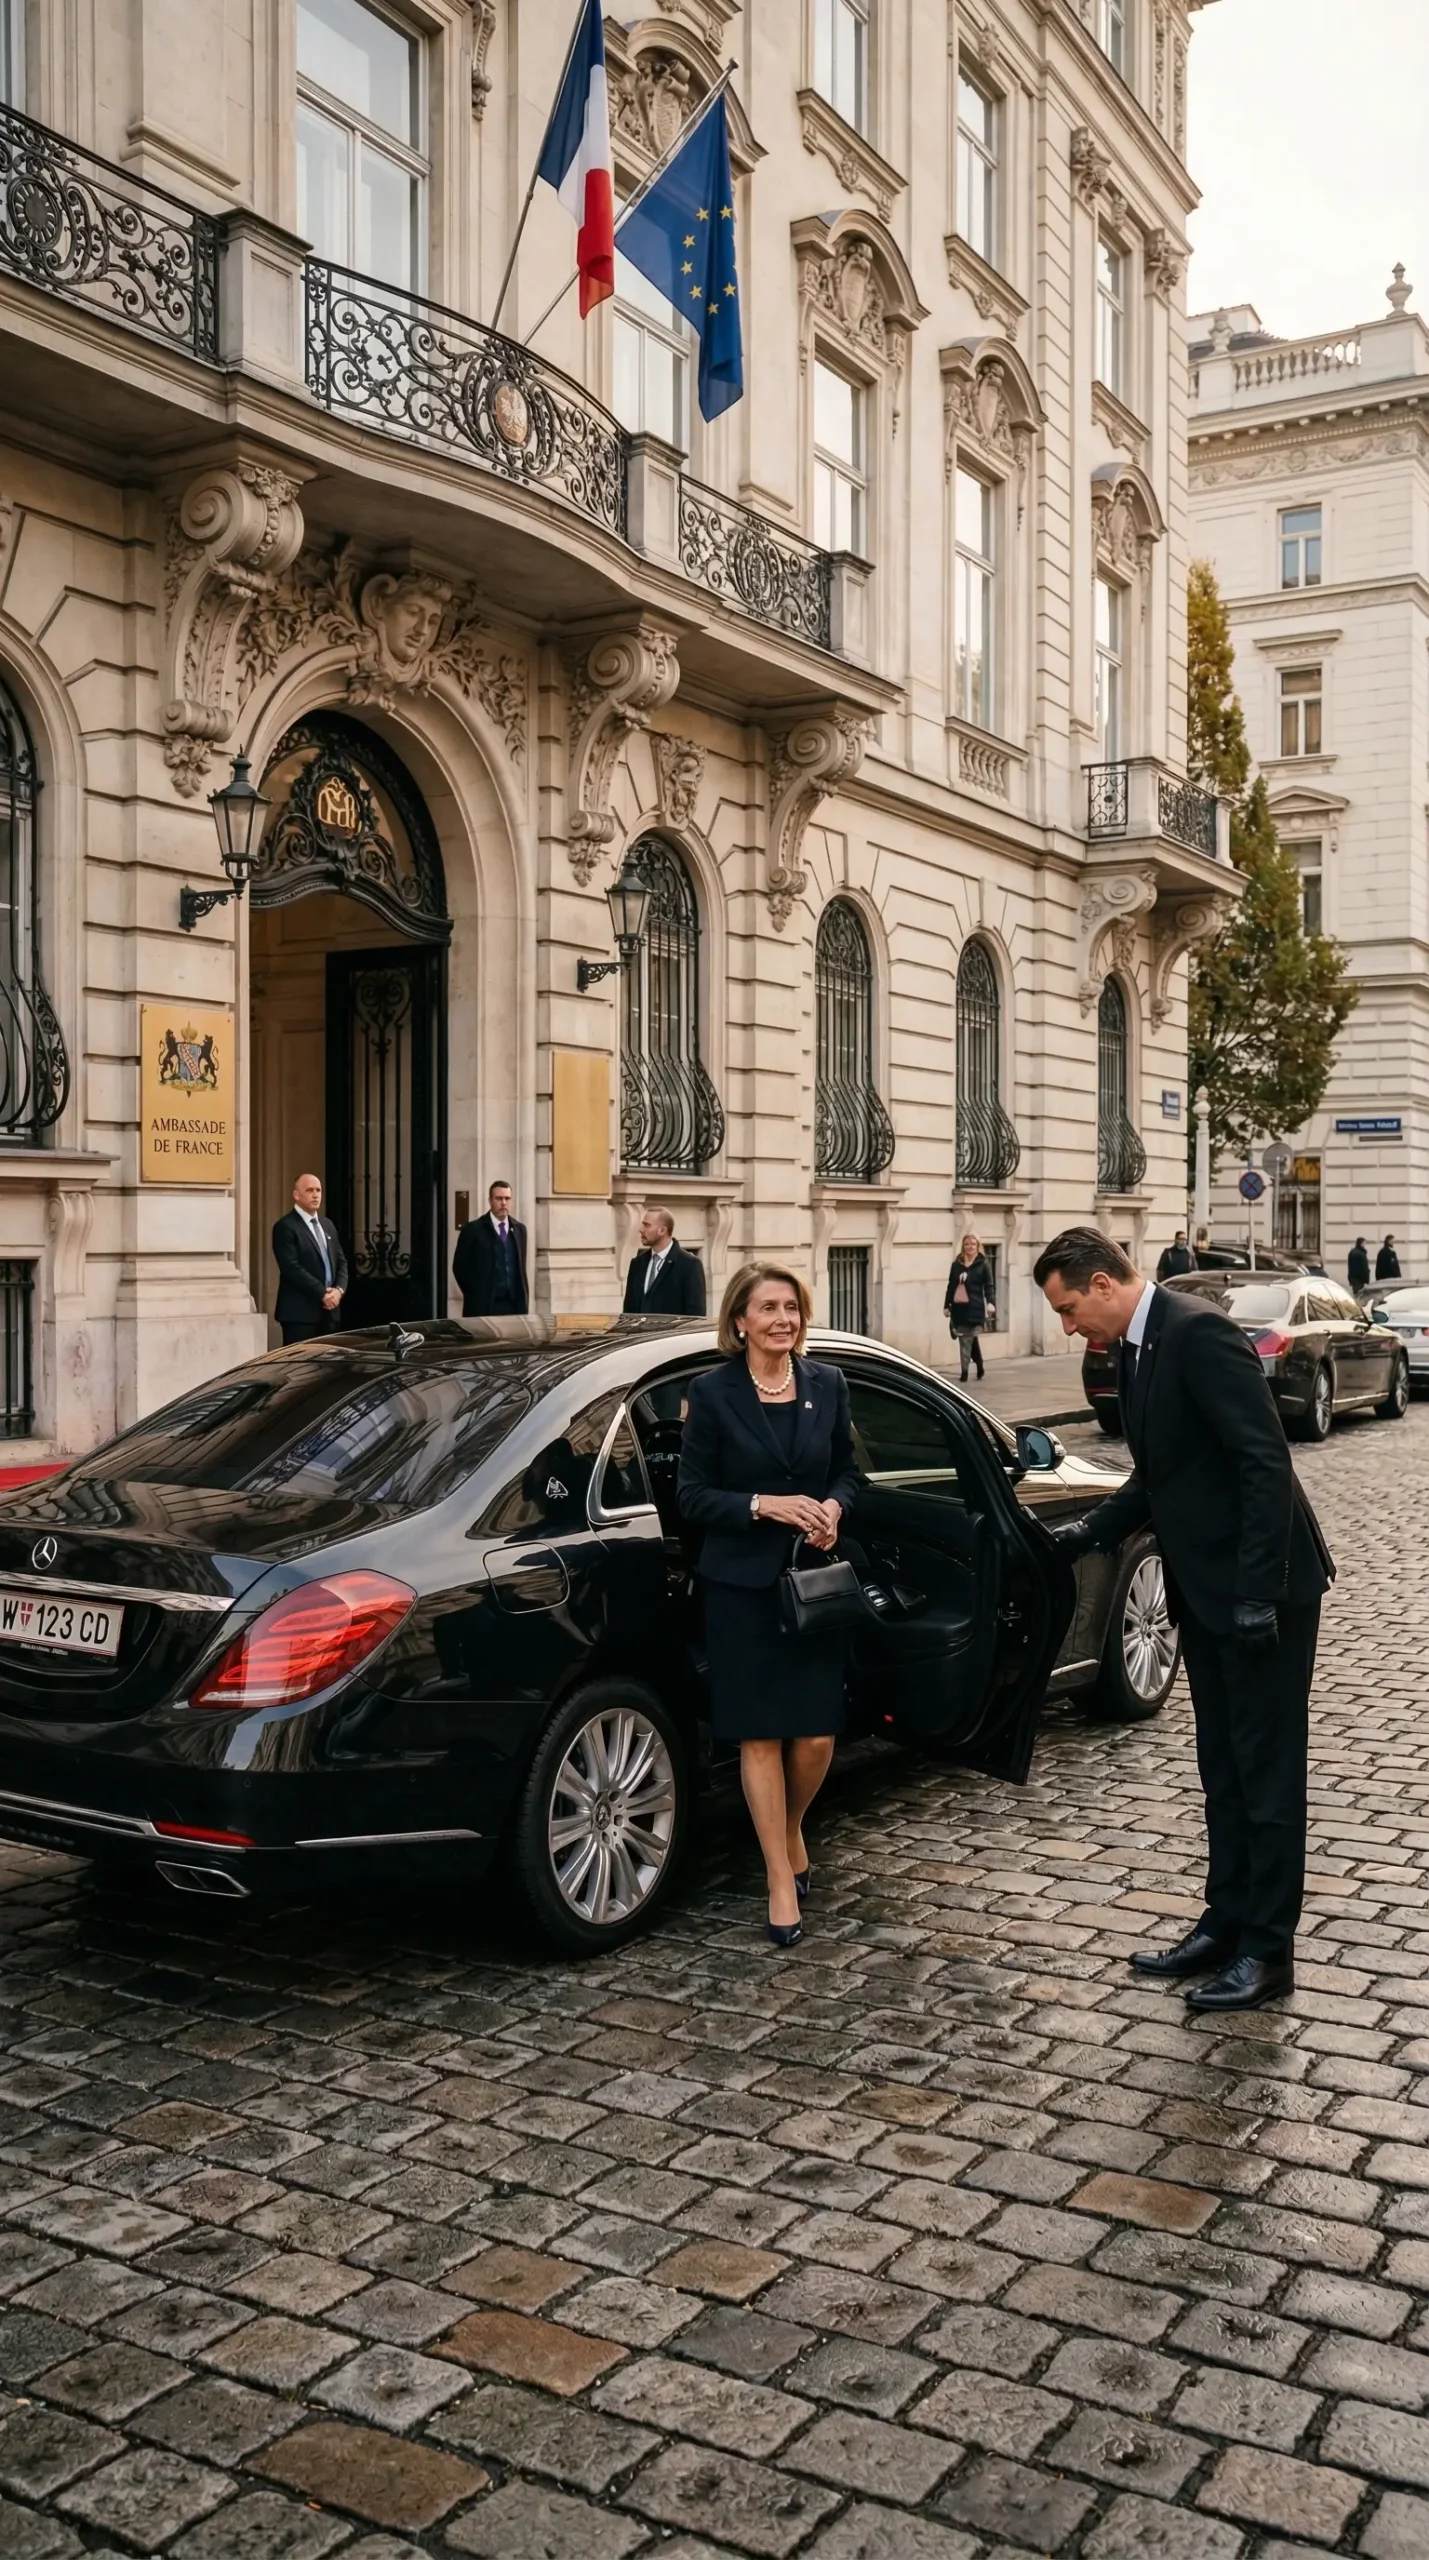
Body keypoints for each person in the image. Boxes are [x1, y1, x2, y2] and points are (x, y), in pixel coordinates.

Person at [1033, 1226, 1334, 2015]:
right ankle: (1224, 1921)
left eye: (1068, 1309)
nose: (1067, 1328)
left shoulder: (1197, 1334)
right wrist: (1085, 1534)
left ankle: (1267, 1951)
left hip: (1260, 1592)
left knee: (1265, 1775)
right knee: (1221, 1769)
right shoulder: (1135, 1348)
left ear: (1102, 1284)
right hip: (1203, 1592)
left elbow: (1263, 1461)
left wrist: (1257, 1592)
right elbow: (1158, 1476)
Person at [678, 1261, 859, 1949]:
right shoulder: (713, 1392)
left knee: (814, 1735)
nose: (782, 1319)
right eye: (767, 1308)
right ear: (739, 1322)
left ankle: (787, 1830)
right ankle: (779, 1876)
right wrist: (762, 1504)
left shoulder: (827, 1383)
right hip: (740, 1588)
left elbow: (848, 1470)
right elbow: (690, 1495)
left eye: (791, 1307)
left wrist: (836, 1508)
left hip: (811, 1582)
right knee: (759, 1735)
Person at [272, 1173, 347, 1346]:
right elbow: (291, 1268)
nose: (315, 1195)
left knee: (328, 1367)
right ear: (296, 1195)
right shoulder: (285, 1227)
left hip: (330, 1313)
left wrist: (338, 1291)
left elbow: (341, 1262)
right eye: (310, 1190)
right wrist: (322, 1293)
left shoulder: (327, 1225)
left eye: (318, 1190)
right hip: (300, 1314)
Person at [453, 1181, 529, 1316]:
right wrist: (475, 1295)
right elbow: (459, 1268)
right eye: (499, 1198)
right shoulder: (473, 1230)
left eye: (507, 1198)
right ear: (490, 1200)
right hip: (484, 1307)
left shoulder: (519, 1230)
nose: (504, 1203)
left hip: (514, 1306)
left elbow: (520, 1268)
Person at [622, 1207, 707, 1315]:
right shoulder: (637, 1264)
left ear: (662, 1230)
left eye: (647, 1225)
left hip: (673, 1332)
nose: (641, 1230)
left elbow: (696, 1316)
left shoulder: (690, 1265)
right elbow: (628, 1312)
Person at [943, 1232, 996, 1382]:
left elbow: (989, 1286)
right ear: (963, 1247)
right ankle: (979, 1366)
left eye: (973, 1244)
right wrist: (946, 1306)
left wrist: (990, 1302)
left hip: (975, 1308)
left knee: (966, 1340)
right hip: (959, 1309)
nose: (970, 1247)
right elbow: (950, 1286)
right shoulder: (956, 1265)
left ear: (978, 1246)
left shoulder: (983, 1264)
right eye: (967, 1244)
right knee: (968, 1339)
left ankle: (964, 1372)